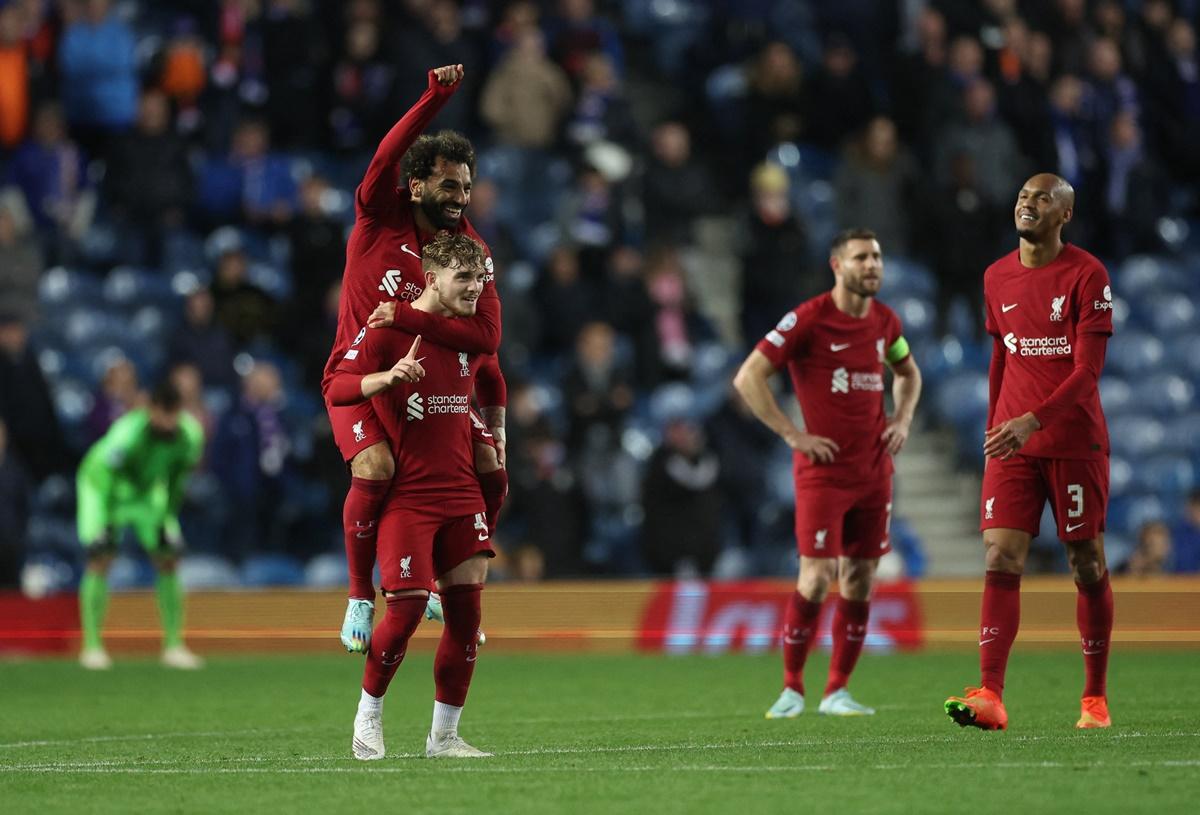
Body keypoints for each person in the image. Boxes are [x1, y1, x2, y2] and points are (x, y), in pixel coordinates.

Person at [321, 64, 508, 655]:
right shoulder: (380, 216)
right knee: (375, 468)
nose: (460, 198)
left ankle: (451, 576)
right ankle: (358, 594)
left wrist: (403, 318)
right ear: (418, 185)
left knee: (491, 467)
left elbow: (487, 338)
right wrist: (434, 98)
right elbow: (385, 155)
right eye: (448, 186)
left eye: (467, 188)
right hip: (363, 375)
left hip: (434, 382)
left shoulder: (466, 250)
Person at [944, 173, 1116, 732]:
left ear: (1065, 214)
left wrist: (1031, 420)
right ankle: (990, 694)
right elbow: (1001, 354)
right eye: (1022, 195)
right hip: (1013, 442)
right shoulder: (996, 276)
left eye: (1043, 198)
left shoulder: (1088, 275)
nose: (1028, 202)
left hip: (1072, 440)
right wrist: (1000, 425)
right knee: (999, 557)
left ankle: (1094, 699)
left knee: (1085, 561)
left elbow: (1087, 372)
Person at [733, 228, 922, 718]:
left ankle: (836, 690)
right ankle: (792, 687)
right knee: (817, 578)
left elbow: (909, 372)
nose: (873, 265)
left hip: (874, 471)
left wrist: (901, 420)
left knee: (860, 580)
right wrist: (793, 435)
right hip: (823, 473)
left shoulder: (885, 323)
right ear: (837, 266)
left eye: (877, 256)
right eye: (861, 257)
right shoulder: (809, 319)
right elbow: (748, 375)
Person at [326, 233, 493, 761]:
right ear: (432, 279)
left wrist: (495, 431)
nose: (475, 288)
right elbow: (337, 389)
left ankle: (444, 738)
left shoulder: (469, 332)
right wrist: (386, 378)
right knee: (404, 614)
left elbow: (492, 369)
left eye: (479, 278)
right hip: (410, 498)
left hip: (462, 492)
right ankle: (367, 717)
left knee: (467, 619)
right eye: (463, 279)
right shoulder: (384, 333)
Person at [76, 379, 205, 670]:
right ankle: (92, 647)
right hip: (102, 489)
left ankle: (173, 646)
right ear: (151, 410)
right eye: (164, 414)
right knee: (101, 556)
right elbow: (105, 477)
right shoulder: (126, 434)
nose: (169, 422)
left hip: (146, 494)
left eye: (174, 415)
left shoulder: (189, 436)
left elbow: (176, 482)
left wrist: (166, 520)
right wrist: (103, 525)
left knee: (168, 556)